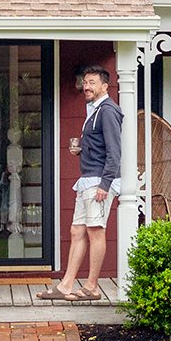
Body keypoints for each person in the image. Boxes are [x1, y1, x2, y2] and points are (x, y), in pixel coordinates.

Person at [37, 65, 122, 302]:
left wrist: (105, 184)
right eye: (85, 82)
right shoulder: (94, 111)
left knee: (95, 231)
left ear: (105, 86)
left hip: (99, 181)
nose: (86, 86)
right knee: (77, 231)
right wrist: (83, 149)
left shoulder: (107, 110)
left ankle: (92, 287)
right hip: (87, 180)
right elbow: (100, 145)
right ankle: (66, 285)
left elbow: (115, 152)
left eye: (92, 82)